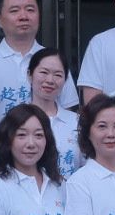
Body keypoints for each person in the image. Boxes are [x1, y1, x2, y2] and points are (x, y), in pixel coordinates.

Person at [0, 0, 81, 111]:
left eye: (30, 10)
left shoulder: (55, 61)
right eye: (14, 11)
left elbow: (68, 111)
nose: (23, 17)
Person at [27, 48, 82, 178]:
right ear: (30, 75)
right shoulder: (16, 120)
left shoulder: (78, 122)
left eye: (58, 75)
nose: (50, 80)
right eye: (44, 72)